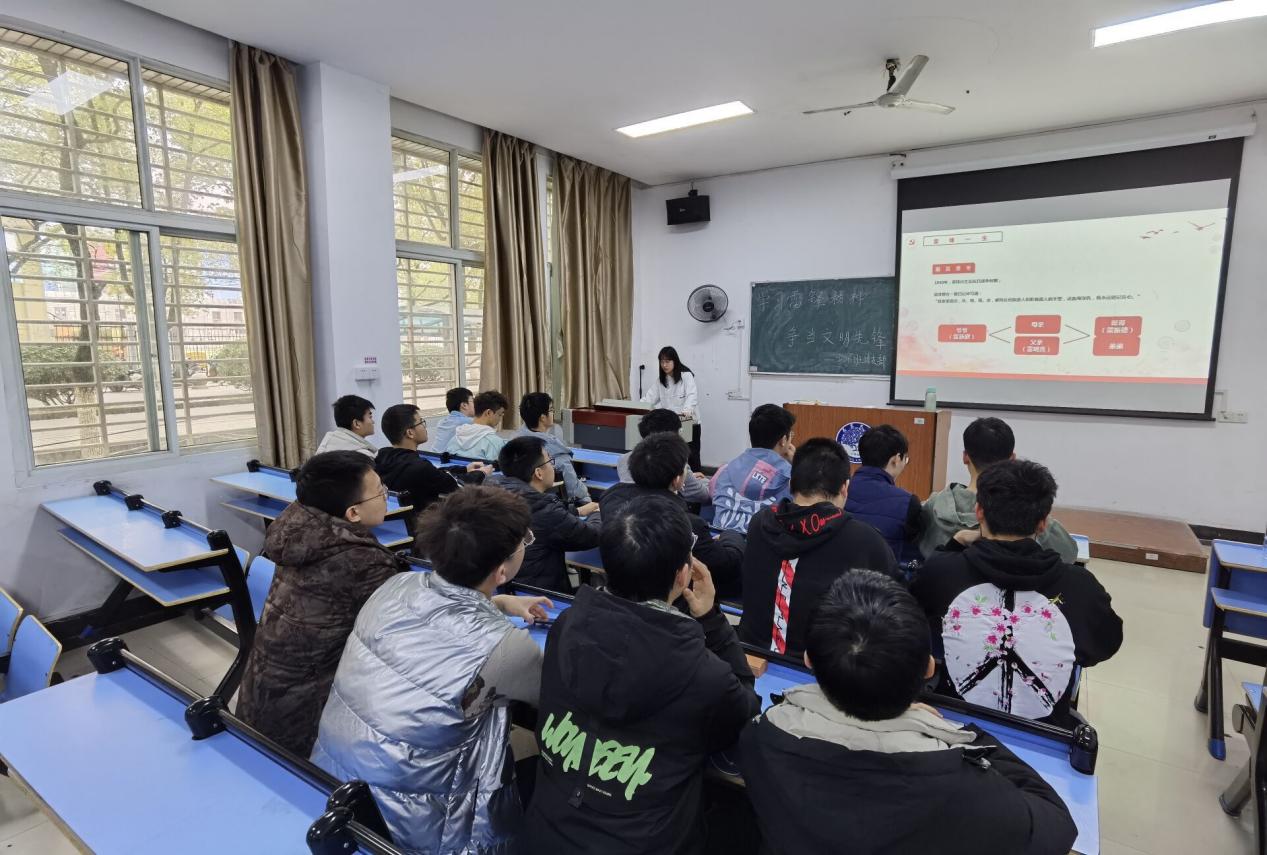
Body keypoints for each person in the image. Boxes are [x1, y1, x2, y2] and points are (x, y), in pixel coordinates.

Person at [739, 571, 1078, 855]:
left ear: (809, 660)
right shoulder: (965, 786)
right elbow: (1058, 826)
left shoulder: (760, 737)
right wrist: (964, 735)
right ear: (929, 668)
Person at [311, 487, 552, 853]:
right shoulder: (505, 647)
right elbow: (548, 696)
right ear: (502, 569)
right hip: (416, 825)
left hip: (332, 780)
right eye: (524, 541)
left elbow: (442, 615)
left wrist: (499, 602)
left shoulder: (395, 584)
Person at [525, 492, 760, 854]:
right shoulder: (704, 674)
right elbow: (744, 709)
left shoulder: (566, 625)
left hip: (546, 831)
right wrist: (712, 620)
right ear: (683, 575)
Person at [913, 459, 1123, 725]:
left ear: (979, 512)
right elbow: (1104, 645)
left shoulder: (941, 571)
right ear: (1043, 523)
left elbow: (911, 612)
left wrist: (954, 545)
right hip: (1043, 732)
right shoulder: (1081, 588)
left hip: (952, 721)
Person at [235, 451, 402, 756]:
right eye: (380, 491)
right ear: (353, 513)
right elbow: (398, 634)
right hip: (306, 720)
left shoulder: (299, 527)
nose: (385, 497)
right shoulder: (361, 560)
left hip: (259, 697)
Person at [738, 438, 899, 662]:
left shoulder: (759, 524)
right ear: (845, 488)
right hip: (822, 670)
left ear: (791, 483)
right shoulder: (867, 541)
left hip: (747, 657)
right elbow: (894, 613)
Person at [602, 432, 746, 599]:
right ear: (677, 480)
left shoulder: (610, 501)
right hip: (666, 597)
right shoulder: (686, 523)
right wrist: (731, 535)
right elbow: (726, 564)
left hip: (621, 590)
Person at [919, 417, 1078, 562]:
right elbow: (1068, 554)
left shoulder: (933, 506)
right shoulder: (1032, 514)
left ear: (965, 457)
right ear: (1012, 459)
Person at [495, 436, 601, 593]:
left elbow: (544, 519)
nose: (553, 466)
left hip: (506, 590)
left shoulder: (494, 492)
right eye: (550, 461)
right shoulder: (544, 509)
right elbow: (591, 536)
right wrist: (597, 513)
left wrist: (576, 511)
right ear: (538, 473)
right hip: (541, 595)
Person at [374, 404, 490, 521]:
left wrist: (465, 469)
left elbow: (435, 474)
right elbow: (458, 486)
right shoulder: (419, 467)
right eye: (421, 422)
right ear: (410, 433)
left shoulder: (382, 458)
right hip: (426, 525)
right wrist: (482, 473)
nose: (424, 427)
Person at [710, 403, 796, 536]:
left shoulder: (724, 471)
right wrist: (797, 464)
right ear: (783, 440)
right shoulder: (794, 480)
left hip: (719, 540)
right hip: (764, 546)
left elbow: (712, 496)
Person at [844, 424, 924, 565]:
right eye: (906, 459)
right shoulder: (907, 502)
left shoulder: (837, 490)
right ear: (896, 459)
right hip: (882, 575)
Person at [616, 408, 710, 505]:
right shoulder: (674, 462)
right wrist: (706, 481)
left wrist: (689, 477)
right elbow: (703, 495)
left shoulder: (624, 459)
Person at [517, 391, 590, 505]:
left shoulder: (515, 441)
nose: (553, 413)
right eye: (551, 410)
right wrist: (588, 499)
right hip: (553, 504)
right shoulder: (556, 452)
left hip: (520, 501)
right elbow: (574, 490)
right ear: (542, 417)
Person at [641, 345, 702, 470]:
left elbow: (692, 396)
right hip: (672, 426)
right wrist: (637, 406)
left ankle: (696, 479)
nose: (664, 365)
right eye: (662, 362)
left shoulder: (686, 376)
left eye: (667, 361)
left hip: (689, 423)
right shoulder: (661, 380)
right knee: (674, 457)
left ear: (675, 361)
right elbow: (649, 398)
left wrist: (686, 412)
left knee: (692, 456)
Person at [449, 390, 510, 460]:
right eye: (500, 414)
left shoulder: (456, 437)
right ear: (489, 413)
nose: (500, 418)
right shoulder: (494, 443)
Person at [428, 386, 474, 453]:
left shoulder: (442, 422)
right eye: (473, 401)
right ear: (464, 405)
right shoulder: (469, 422)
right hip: (447, 459)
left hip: (432, 456)